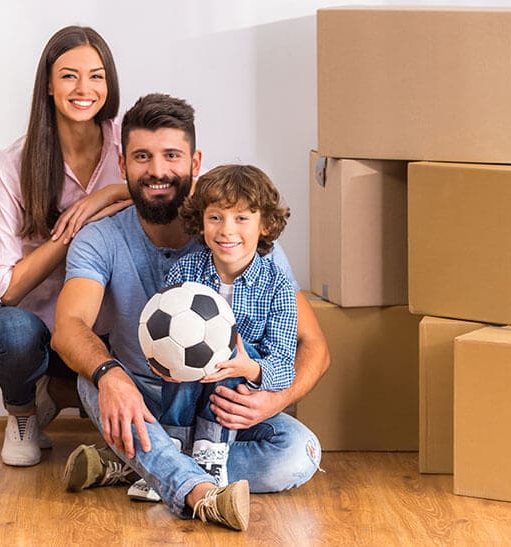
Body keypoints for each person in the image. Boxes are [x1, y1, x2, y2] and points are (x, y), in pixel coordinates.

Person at [52, 93, 330, 531]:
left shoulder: (239, 233)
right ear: (123, 166)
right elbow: (68, 327)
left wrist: (272, 398)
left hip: (222, 405)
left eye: (172, 156)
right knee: (93, 378)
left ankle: (141, 463)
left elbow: (314, 346)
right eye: (142, 157)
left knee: (299, 455)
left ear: (194, 161)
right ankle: (200, 494)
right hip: (138, 394)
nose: (158, 171)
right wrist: (113, 376)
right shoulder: (99, 239)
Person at [0, 26, 131, 467]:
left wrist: (106, 196)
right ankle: (23, 413)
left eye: (97, 76)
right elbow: (7, 289)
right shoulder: (15, 162)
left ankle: (54, 392)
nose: (84, 89)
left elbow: (178, 187)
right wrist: (71, 231)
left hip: (103, 325)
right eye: (69, 76)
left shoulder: (127, 147)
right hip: (32, 325)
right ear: (49, 86)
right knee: (15, 333)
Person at [156, 163, 298, 489]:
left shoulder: (277, 286)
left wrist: (250, 369)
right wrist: (163, 360)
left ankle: (210, 454)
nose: (226, 230)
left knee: (235, 354)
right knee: (184, 348)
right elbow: (157, 327)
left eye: (242, 218)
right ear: (201, 221)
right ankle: (171, 454)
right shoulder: (185, 272)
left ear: (265, 224)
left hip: (236, 402)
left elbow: (283, 365)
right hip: (183, 391)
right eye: (216, 217)